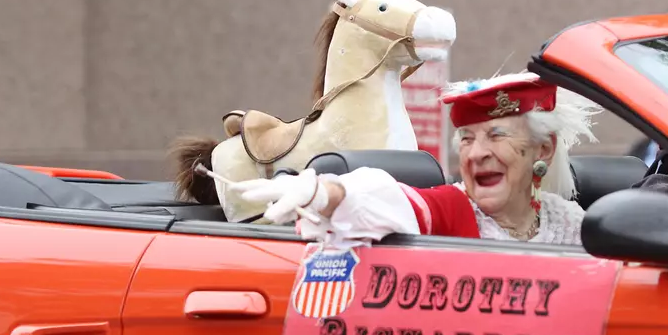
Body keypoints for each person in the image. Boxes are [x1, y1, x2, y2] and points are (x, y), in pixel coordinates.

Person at [230, 72, 601, 247]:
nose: (476, 153)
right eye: (467, 139)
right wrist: (328, 193)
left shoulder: (571, 224)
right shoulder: (449, 208)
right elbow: (389, 200)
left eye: (497, 135)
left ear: (544, 149)